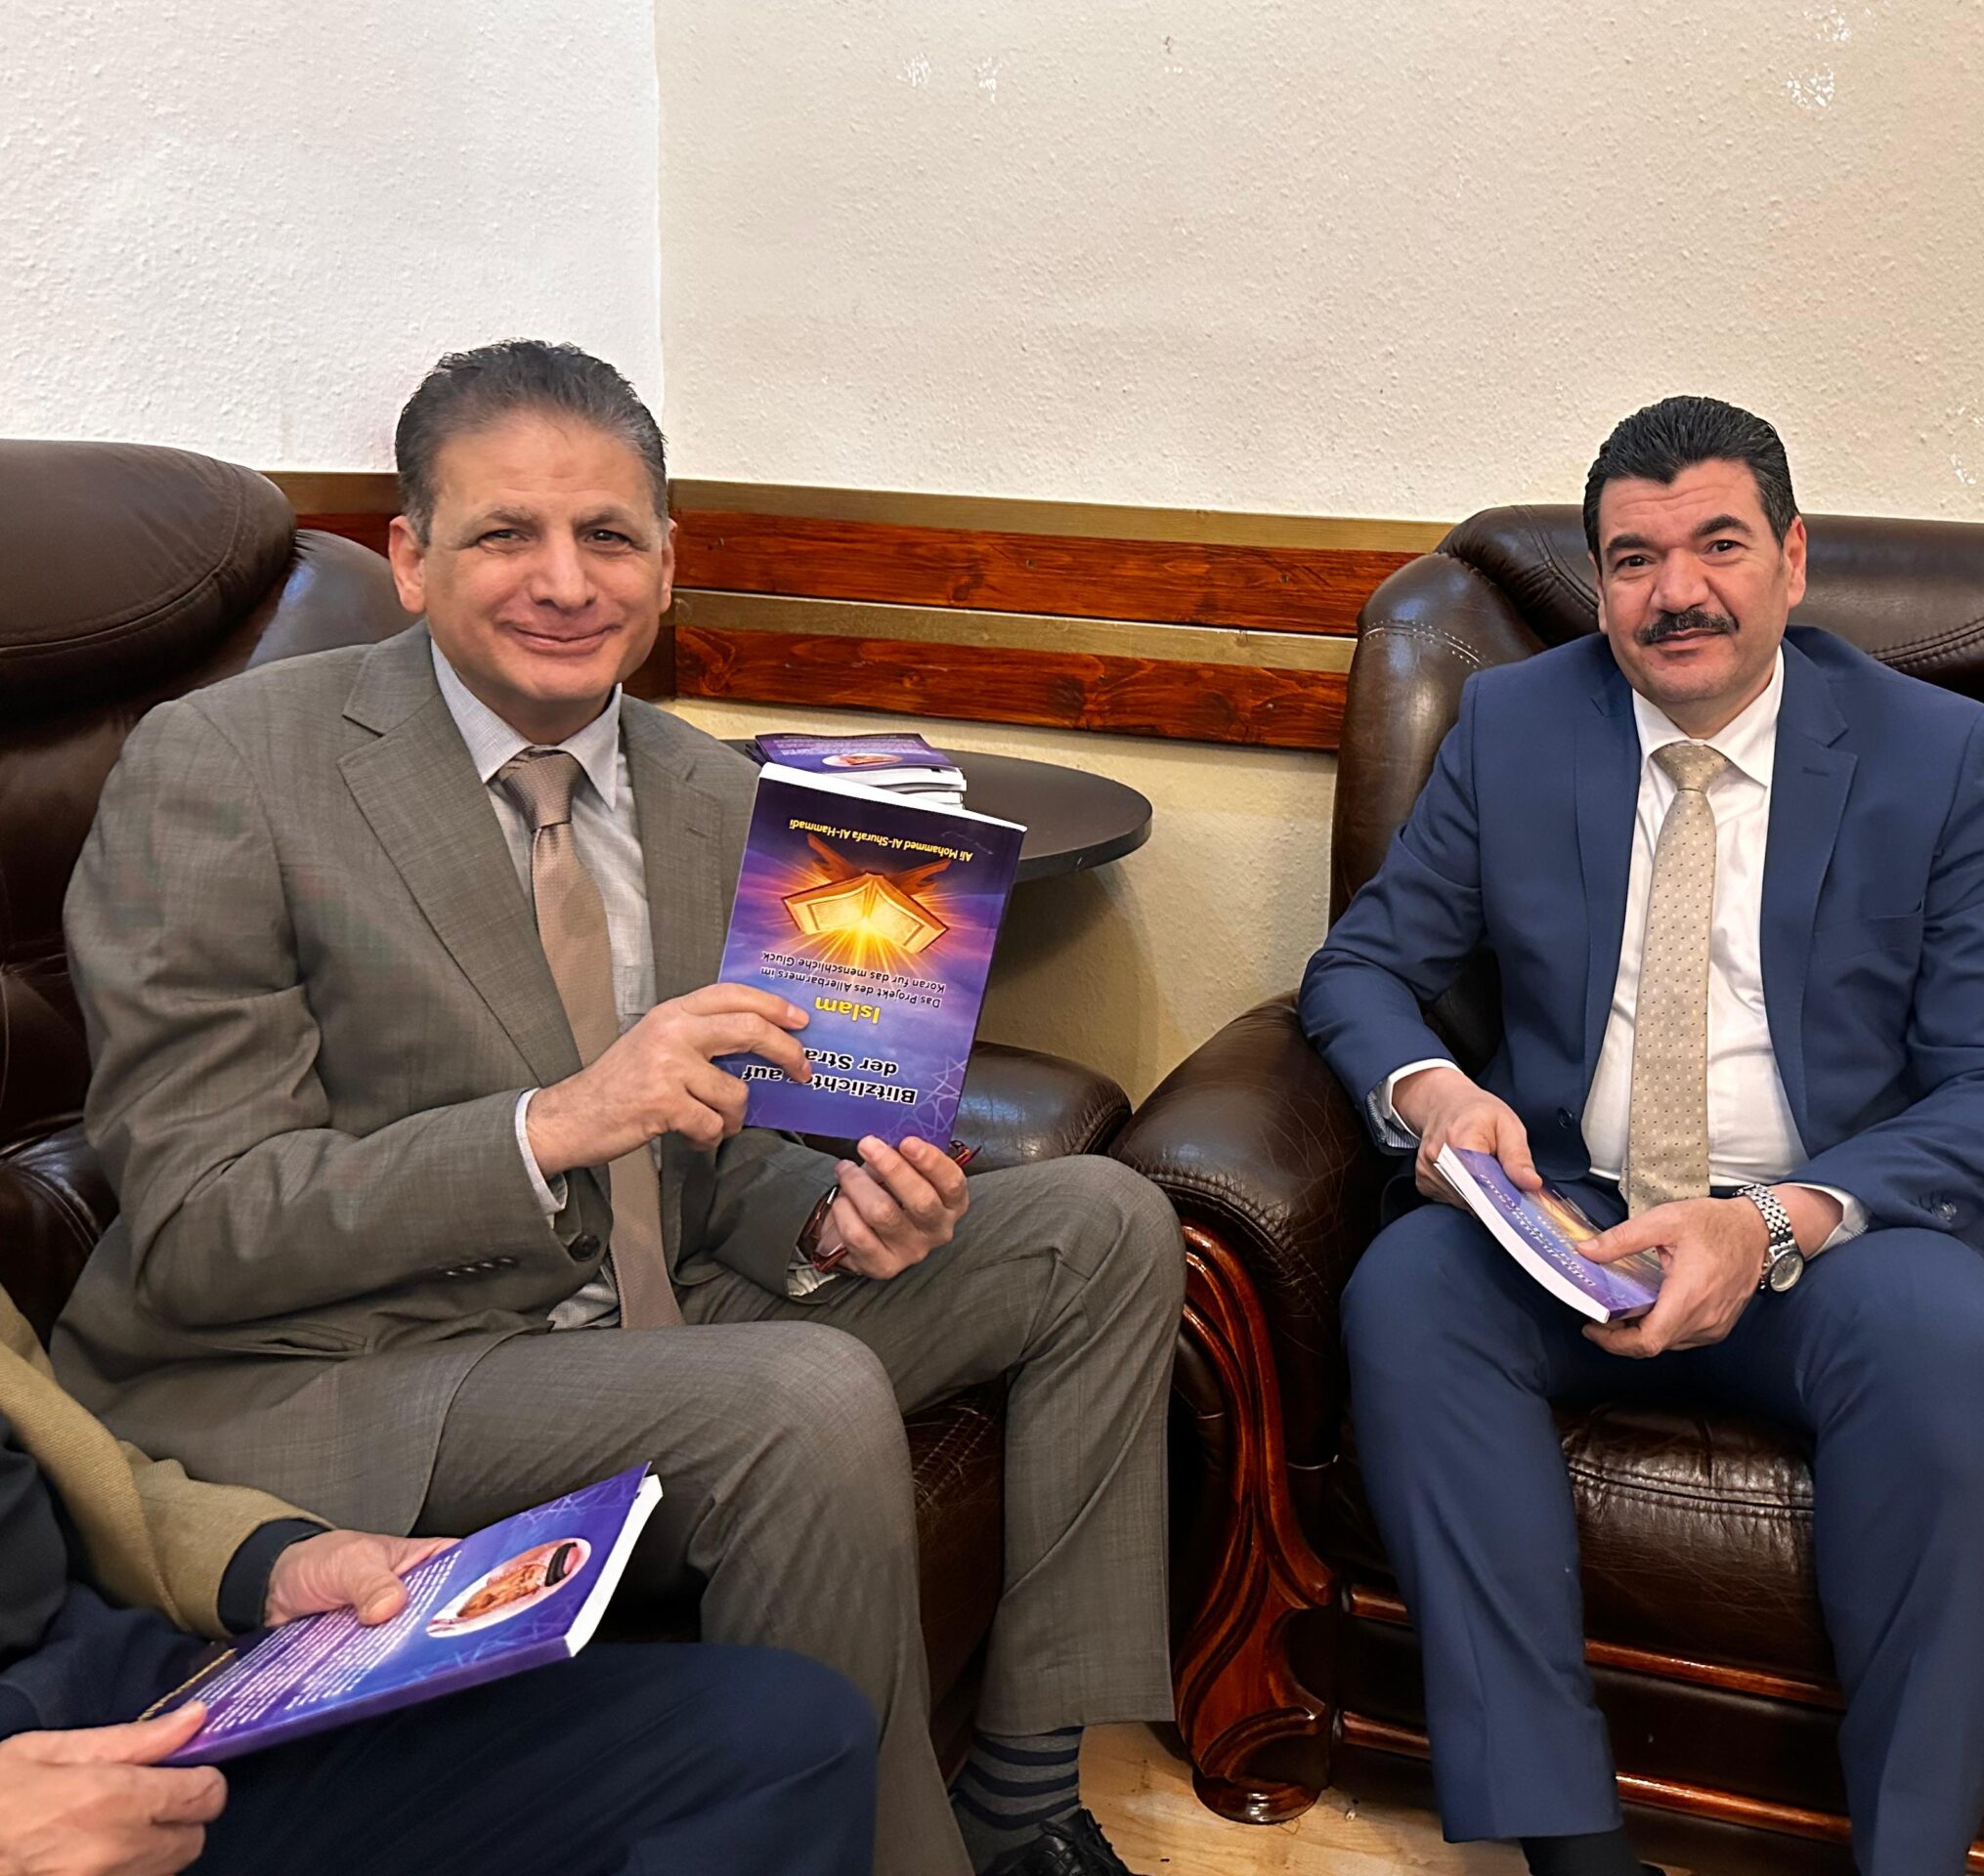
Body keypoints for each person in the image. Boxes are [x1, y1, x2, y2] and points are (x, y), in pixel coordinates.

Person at [50, 340, 1184, 1876]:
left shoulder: (716, 792)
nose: (565, 582)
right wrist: (550, 1126)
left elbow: (729, 1140)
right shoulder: (227, 767)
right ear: (409, 558)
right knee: (791, 1400)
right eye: (504, 533)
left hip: (650, 1305)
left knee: (1104, 1223)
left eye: (608, 535)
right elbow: (201, 1225)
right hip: (345, 1363)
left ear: (668, 562)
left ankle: (1028, 1804)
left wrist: (827, 1219)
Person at [1300, 396, 1984, 1876]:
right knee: (1407, 1294)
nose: (1677, 592)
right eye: (1634, 558)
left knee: (1945, 1341)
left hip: (1835, 1238)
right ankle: (1570, 1845)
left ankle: (1912, 1856)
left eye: (1719, 545)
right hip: (1577, 1214)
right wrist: (1434, 1092)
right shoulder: (1515, 727)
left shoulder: (1936, 756)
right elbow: (1361, 971)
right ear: (1601, 583)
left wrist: (1776, 1219)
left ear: (1793, 559)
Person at [0, 1278, 877, 1875]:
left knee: (783, 1733)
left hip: (137, 1680)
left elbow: (68, 1458)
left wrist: (267, 1561)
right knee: (796, 1402)